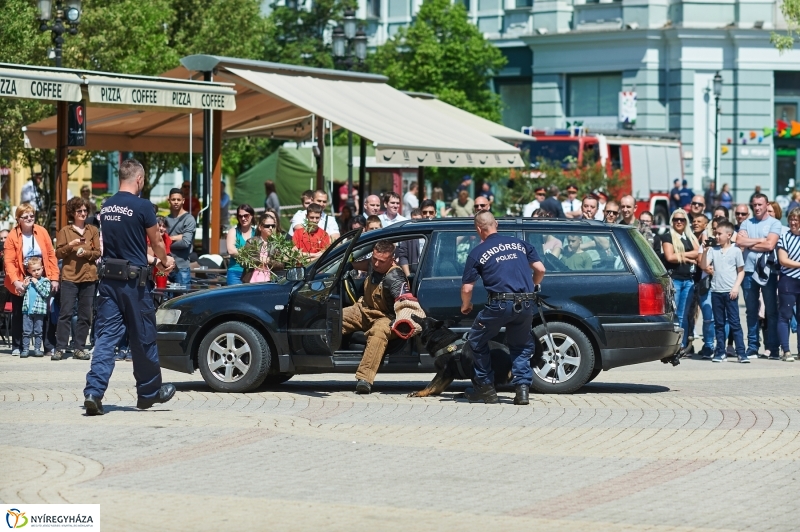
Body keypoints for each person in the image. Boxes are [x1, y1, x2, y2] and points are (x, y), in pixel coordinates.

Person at [84, 158, 176, 416]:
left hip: (109, 282)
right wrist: (164, 259)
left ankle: (93, 392)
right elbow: (156, 240)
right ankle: (149, 393)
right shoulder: (143, 206)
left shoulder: (107, 205)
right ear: (138, 179)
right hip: (135, 285)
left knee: (106, 339)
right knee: (144, 337)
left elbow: (124, 243)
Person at [460, 211, 545, 405]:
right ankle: (522, 391)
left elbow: (467, 287)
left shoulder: (478, 252)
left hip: (498, 304)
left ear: (479, 229)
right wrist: (532, 286)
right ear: (496, 224)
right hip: (524, 304)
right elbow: (540, 269)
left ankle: (486, 389)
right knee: (521, 346)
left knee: (476, 340)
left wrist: (466, 305)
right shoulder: (521, 244)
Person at [344, 239, 412, 394]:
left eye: (381, 261)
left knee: (379, 333)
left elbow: (404, 302)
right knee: (335, 318)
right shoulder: (373, 262)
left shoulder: (395, 278)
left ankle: (364, 379)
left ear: (391, 260)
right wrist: (348, 266)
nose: (375, 264)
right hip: (363, 309)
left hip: (386, 317)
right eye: (374, 259)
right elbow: (364, 263)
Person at [4, 203, 59, 357]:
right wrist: (16, 282)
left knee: (45, 313)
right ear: (18, 219)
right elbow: (8, 261)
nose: (29, 218)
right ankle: (18, 345)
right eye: (25, 216)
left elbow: (50, 255)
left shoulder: (41, 232)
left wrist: (54, 278)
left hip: (41, 278)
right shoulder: (12, 236)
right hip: (21, 278)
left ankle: (48, 346)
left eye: (32, 215)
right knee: (20, 313)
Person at [54, 197, 101, 361]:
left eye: (85, 210)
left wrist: (86, 253)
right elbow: (58, 253)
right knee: (65, 314)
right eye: (79, 211)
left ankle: (79, 348)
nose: (83, 213)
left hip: (89, 277)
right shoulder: (65, 231)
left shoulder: (93, 230)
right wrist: (71, 245)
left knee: (85, 315)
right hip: (70, 277)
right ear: (72, 213)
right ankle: (60, 347)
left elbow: (98, 253)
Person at [737, 193, 781, 359]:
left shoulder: (774, 223)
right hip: (748, 271)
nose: (757, 208)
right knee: (751, 311)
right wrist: (760, 241)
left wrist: (751, 243)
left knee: (771, 310)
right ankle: (753, 346)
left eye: (760, 205)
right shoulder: (746, 223)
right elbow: (740, 242)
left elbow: (770, 244)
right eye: (754, 205)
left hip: (768, 272)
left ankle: (772, 347)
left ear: (766, 204)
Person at [700, 220, 746, 363]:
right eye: (716, 233)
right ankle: (720, 352)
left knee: (735, 323)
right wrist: (705, 252)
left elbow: (741, 271)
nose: (717, 236)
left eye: (719, 234)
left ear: (729, 235)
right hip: (716, 292)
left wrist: (736, 287)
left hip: (730, 292)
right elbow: (704, 266)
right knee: (719, 324)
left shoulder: (736, 251)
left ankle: (741, 353)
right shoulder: (713, 250)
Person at [660, 210, 699, 355]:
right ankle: (672, 345)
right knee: (674, 314)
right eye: (676, 219)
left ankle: (682, 345)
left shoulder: (690, 236)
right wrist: (689, 257)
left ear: (686, 222)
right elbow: (670, 257)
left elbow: (698, 252)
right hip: (675, 280)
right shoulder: (667, 236)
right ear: (672, 220)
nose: (679, 222)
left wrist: (681, 256)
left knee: (685, 314)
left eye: (682, 220)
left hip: (688, 280)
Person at [688, 214, 715, 359]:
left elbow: (700, 258)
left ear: (706, 225)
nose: (695, 223)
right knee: (689, 314)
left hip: (704, 280)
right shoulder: (689, 236)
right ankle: (688, 344)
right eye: (693, 221)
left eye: (699, 221)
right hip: (691, 279)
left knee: (707, 315)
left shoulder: (707, 237)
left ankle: (708, 344)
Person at [777, 207, 800, 362]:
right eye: (791, 219)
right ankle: (786, 350)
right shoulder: (784, 237)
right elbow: (783, 260)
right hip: (788, 281)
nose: (793, 222)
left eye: (796, 220)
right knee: (784, 316)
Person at [164, 188, 196, 287]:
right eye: (173, 199)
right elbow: (158, 240)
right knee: (164, 300)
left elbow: (185, 243)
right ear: (169, 200)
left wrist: (168, 240)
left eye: (178, 199)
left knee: (183, 300)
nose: (176, 202)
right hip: (165, 267)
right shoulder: (165, 219)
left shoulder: (189, 219)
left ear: (183, 200)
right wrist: (178, 237)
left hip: (182, 268)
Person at [20, 257, 51, 357]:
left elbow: (46, 293)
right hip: (27, 311)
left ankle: (37, 349)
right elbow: (21, 294)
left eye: (38, 269)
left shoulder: (45, 281)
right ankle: (25, 349)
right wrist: (24, 286)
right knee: (26, 331)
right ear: (29, 271)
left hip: (39, 311)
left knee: (38, 331)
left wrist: (36, 282)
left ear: (42, 268)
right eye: (33, 270)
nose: (36, 272)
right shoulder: (27, 281)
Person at [396, 203, 435, 276]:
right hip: (414, 273)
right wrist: (408, 276)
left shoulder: (433, 232)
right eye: (413, 220)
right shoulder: (409, 235)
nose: (415, 222)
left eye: (418, 220)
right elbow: (403, 255)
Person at [247, 212, 283, 283]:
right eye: (267, 226)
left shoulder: (276, 243)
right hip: (252, 280)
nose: (270, 228)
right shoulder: (251, 242)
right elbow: (245, 261)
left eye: (273, 226)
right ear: (260, 227)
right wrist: (260, 260)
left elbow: (281, 264)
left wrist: (269, 261)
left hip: (271, 280)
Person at [226, 204, 256, 286]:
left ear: (252, 216)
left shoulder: (256, 233)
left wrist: (240, 252)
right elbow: (231, 251)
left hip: (252, 273)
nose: (243, 218)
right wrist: (251, 255)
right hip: (235, 272)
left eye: (246, 215)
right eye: (240, 216)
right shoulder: (233, 232)